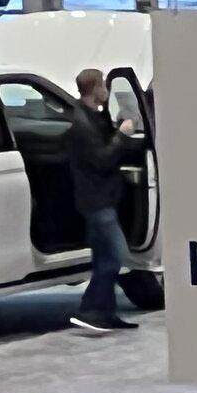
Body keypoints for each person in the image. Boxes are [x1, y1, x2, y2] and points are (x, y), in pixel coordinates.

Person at [66, 68, 143, 336]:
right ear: (96, 87)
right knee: (115, 256)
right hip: (96, 201)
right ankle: (90, 309)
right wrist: (122, 135)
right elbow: (101, 159)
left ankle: (105, 313)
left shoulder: (94, 118)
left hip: (102, 200)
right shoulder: (82, 124)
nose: (107, 92)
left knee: (105, 257)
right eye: (104, 86)